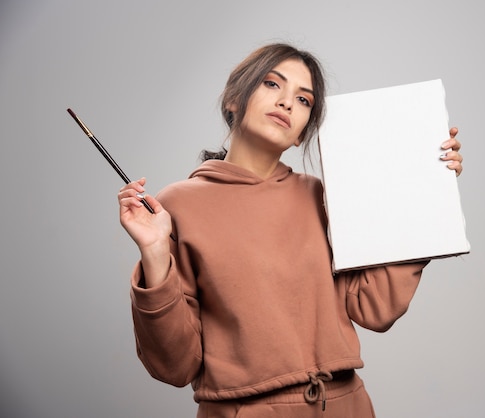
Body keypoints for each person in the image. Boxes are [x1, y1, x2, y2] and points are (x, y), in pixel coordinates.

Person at [118, 43, 464, 418]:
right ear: (233, 100)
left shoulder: (321, 196)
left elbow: (375, 307)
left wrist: (429, 192)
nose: (286, 103)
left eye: (303, 100)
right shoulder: (179, 205)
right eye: (271, 84)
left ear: (302, 132)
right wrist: (154, 254)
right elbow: (174, 365)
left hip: (344, 405)